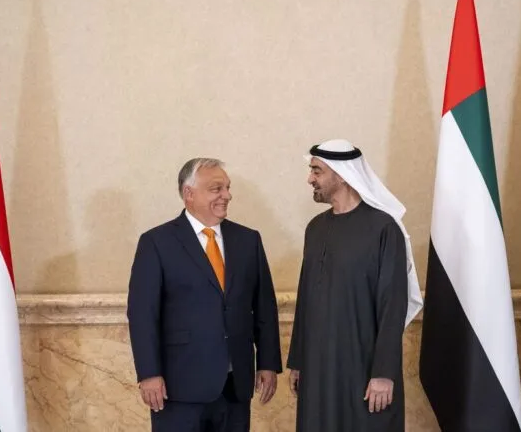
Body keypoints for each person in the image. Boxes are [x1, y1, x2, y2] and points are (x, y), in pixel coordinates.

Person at [127, 158, 282, 432]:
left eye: (227, 188)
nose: (227, 195)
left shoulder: (248, 240)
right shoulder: (156, 242)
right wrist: (149, 373)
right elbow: (142, 314)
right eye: (216, 188)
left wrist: (268, 363)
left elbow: (264, 307)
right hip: (179, 386)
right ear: (189, 194)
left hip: (236, 387)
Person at [287, 139, 424, 432]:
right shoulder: (315, 228)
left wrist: (384, 373)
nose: (310, 179)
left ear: (341, 174)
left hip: (363, 367)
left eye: (317, 171)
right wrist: (298, 361)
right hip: (317, 366)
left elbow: (393, 304)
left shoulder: (383, 228)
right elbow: (306, 297)